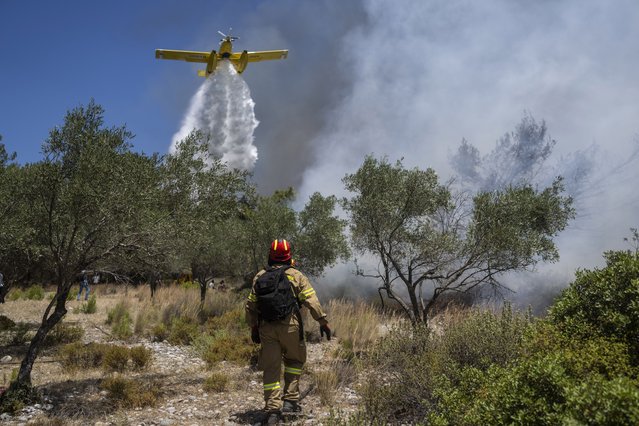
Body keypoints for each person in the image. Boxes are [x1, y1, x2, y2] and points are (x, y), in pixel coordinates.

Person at [246, 239, 331, 423]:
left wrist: (254, 327)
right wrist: (322, 322)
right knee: (294, 360)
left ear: (270, 254)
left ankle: (272, 412)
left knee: (271, 368)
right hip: (291, 326)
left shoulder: (260, 276)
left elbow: (250, 305)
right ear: (289, 255)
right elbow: (311, 301)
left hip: (267, 328)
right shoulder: (296, 275)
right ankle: (290, 401)